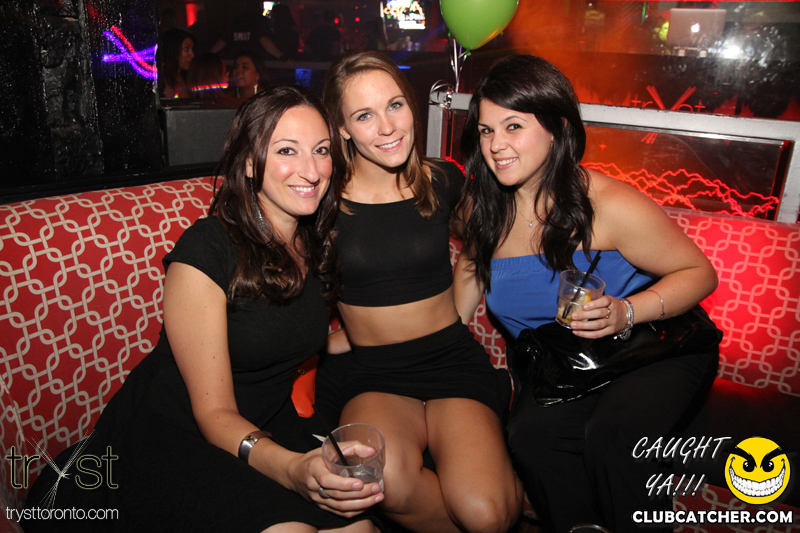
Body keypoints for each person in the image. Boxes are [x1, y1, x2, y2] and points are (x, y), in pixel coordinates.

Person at [21, 86, 383, 533]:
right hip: (171, 435)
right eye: (287, 150)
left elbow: (285, 333)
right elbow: (214, 415)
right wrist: (292, 469)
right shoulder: (206, 250)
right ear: (249, 162)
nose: (311, 170)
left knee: (360, 528)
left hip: (263, 422)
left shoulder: (315, 241)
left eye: (321, 150)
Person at [454, 54, 720, 533]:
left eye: (514, 126)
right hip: (564, 365)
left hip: (651, 347)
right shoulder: (484, 211)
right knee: (531, 439)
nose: (495, 145)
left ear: (557, 128)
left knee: (614, 439)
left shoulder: (607, 204)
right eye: (486, 130)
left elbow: (700, 273)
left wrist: (626, 311)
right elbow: (456, 309)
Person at [317, 50, 522, 533]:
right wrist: (329, 341)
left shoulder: (441, 179)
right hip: (376, 374)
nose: (388, 127)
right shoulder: (321, 201)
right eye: (364, 116)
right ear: (341, 128)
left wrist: (457, 313)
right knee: (378, 480)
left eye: (395, 105)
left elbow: (481, 239)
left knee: (486, 514)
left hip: (451, 361)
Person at [157, 28, 195, 98]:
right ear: (173, 49)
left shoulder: (190, 77)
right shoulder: (160, 80)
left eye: (192, 49)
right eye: (186, 49)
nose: (192, 55)